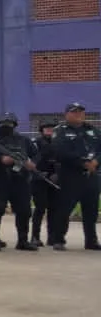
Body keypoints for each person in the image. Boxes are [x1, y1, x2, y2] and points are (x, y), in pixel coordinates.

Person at [0, 113, 39, 251]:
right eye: (4, 124)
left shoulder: (23, 140)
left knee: (24, 211)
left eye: (10, 124)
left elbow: (36, 154)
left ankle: (23, 241)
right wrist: (0, 160)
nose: (7, 127)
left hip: (20, 180)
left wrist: (32, 163)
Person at [48, 101, 100, 251]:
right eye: (74, 112)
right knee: (64, 209)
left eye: (81, 111)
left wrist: (95, 162)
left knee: (91, 210)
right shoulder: (61, 130)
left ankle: (91, 240)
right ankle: (58, 239)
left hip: (91, 175)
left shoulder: (93, 130)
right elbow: (60, 151)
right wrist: (81, 162)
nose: (78, 114)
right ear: (67, 115)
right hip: (70, 176)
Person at [30, 120, 58, 247]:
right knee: (40, 208)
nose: (50, 131)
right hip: (39, 180)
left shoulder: (59, 143)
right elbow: (31, 161)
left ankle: (52, 237)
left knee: (54, 209)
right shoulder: (36, 143)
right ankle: (35, 236)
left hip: (55, 180)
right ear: (41, 130)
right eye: (47, 129)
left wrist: (57, 174)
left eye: (52, 128)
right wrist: (39, 173)